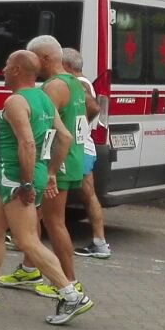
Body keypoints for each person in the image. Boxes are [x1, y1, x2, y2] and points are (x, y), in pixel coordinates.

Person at [0, 50, 91, 325]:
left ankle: (71, 295)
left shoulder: (15, 102)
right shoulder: (44, 98)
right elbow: (64, 137)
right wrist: (49, 172)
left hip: (17, 179)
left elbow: (26, 143)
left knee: (26, 240)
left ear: (16, 70)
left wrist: (27, 183)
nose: (2, 70)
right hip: (30, 174)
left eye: (5, 65)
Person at [0, 36, 86, 297]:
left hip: (55, 163)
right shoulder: (74, 81)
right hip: (70, 157)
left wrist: (46, 171)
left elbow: (42, 133)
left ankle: (69, 283)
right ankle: (29, 269)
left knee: (53, 222)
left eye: (35, 58)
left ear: (44, 59)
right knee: (31, 219)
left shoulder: (51, 88)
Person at [64, 49, 111, 260]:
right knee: (87, 195)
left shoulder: (77, 83)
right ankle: (99, 242)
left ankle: (24, 238)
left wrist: (76, 128)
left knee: (50, 190)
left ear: (65, 65)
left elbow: (93, 107)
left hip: (78, 148)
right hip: (85, 147)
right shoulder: (84, 82)